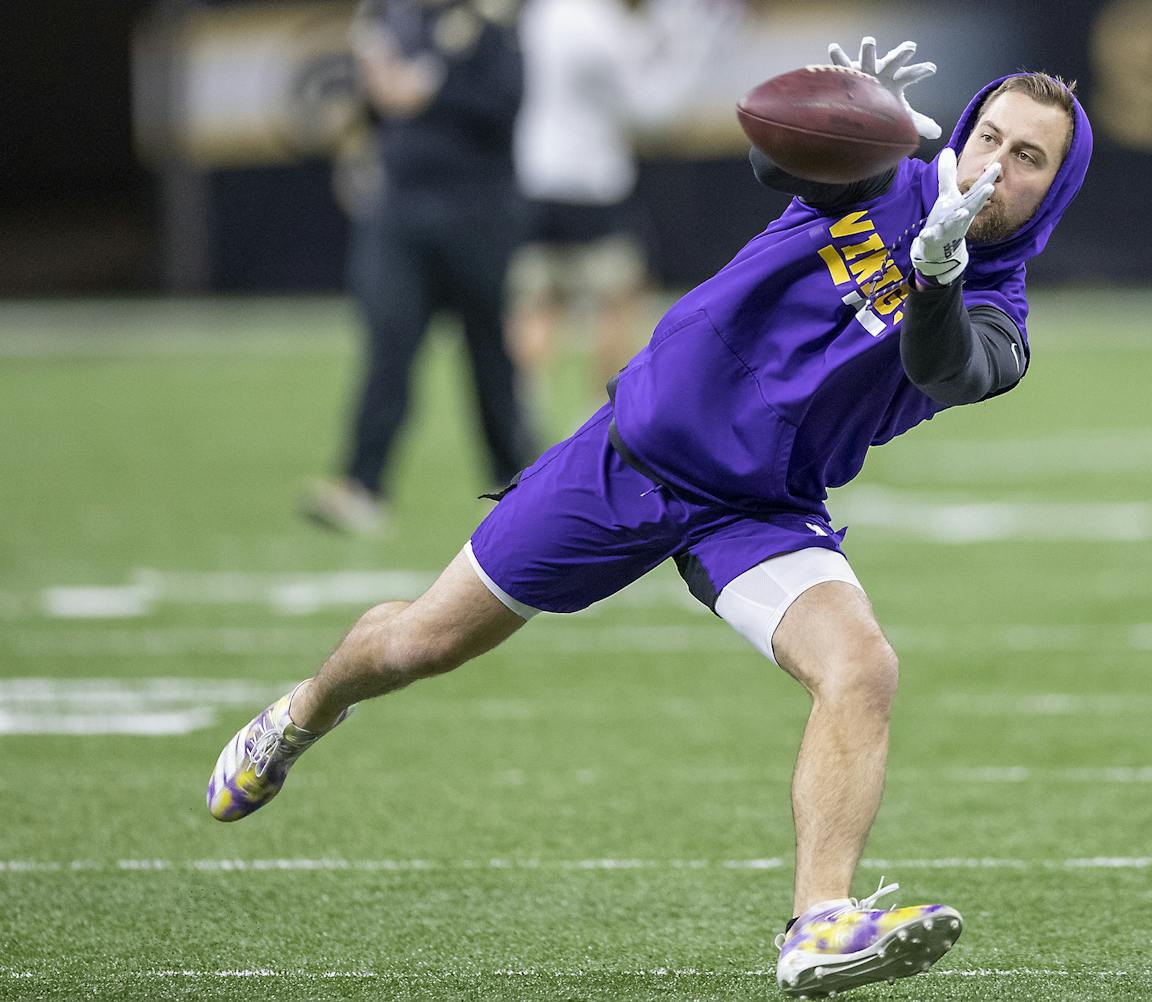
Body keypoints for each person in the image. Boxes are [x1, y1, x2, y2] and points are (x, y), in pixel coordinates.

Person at [210, 36, 1093, 998]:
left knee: (862, 666)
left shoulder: (1000, 315)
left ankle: (819, 921)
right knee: (419, 644)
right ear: (958, 134)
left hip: (760, 505)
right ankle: (301, 715)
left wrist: (934, 276)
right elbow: (770, 155)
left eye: (1028, 158)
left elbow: (942, 366)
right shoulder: (880, 178)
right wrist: (845, 109)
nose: (993, 167)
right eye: (988, 138)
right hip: (637, 453)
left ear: (1056, 192)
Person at [304, 0, 537, 536]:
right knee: (388, 344)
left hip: (477, 212)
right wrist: (370, 80)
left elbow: (507, 102)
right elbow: (370, 110)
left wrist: (434, 89)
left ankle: (513, 484)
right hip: (400, 213)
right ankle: (362, 484)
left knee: (488, 353)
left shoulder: (488, 22)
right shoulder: (390, 20)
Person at [507, 0, 738, 412]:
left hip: (537, 174)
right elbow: (651, 112)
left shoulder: (546, 13)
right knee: (617, 300)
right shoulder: (601, 27)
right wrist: (694, 47)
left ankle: (520, 407)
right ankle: (601, 407)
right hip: (592, 182)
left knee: (539, 300)